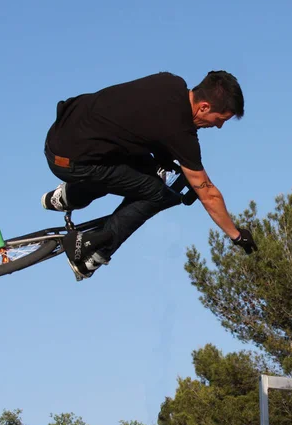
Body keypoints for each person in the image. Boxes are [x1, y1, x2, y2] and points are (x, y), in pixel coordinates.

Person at [42, 70, 258, 281]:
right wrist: (236, 235)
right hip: (71, 163)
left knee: (139, 167)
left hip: (60, 135)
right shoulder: (181, 133)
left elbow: (145, 127)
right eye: (220, 119)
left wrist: (166, 165)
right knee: (158, 193)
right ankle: (92, 254)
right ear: (204, 107)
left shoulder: (169, 82)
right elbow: (209, 194)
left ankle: (68, 196)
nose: (219, 126)